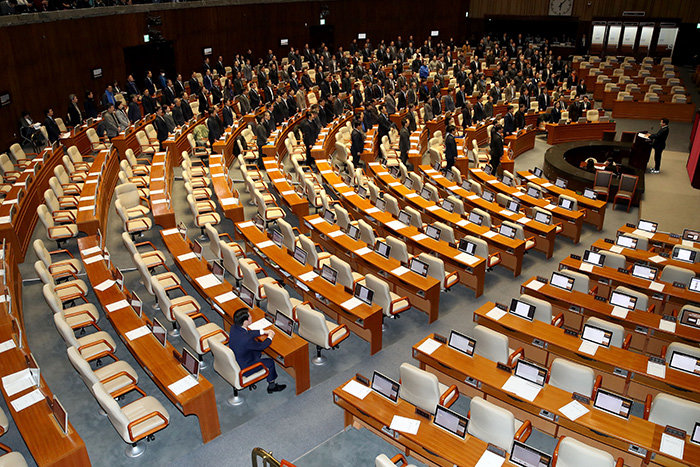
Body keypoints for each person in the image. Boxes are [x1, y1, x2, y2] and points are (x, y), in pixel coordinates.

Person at [228, 309, 286, 394]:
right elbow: (261, 346)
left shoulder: (234, 327)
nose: (251, 317)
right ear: (245, 321)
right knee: (270, 362)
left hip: (238, 357)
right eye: (250, 316)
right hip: (245, 367)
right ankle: (272, 386)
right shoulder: (246, 339)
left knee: (257, 352)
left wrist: (263, 332)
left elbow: (249, 333)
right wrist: (270, 337)